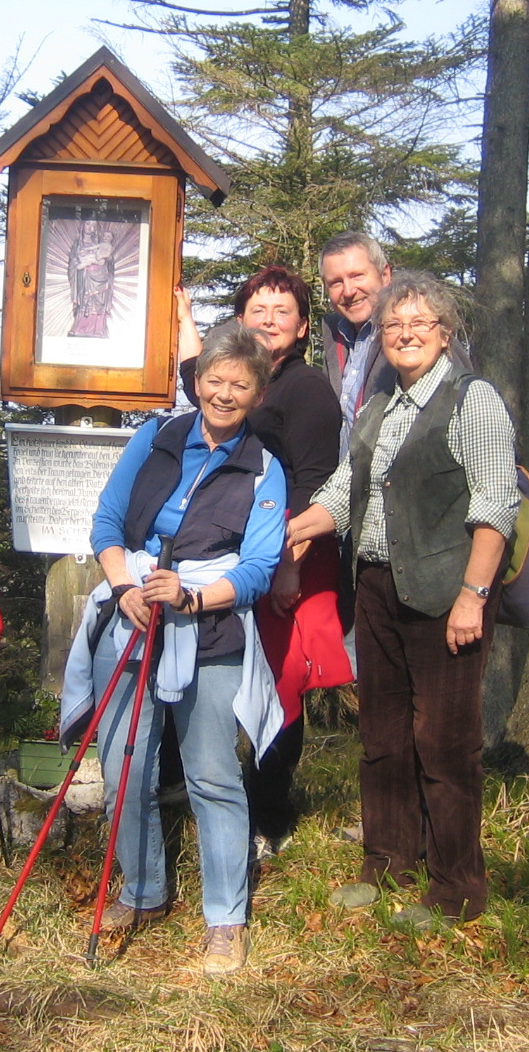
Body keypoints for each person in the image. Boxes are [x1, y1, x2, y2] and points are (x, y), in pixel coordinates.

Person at [287, 271, 519, 930]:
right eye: (394, 325)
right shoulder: (380, 405)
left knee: (445, 745)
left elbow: (496, 503)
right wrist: (299, 527)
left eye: (420, 323)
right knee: (382, 736)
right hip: (379, 587)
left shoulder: (473, 401)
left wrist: (474, 597)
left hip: (449, 592)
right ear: (382, 338)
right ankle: (386, 862)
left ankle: (457, 889)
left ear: (445, 333)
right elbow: (343, 489)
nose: (406, 334)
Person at [60, 325, 288, 976]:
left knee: (213, 774)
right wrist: (124, 585)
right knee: (124, 768)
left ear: (258, 393)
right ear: (196, 381)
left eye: (239, 384)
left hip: (209, 626)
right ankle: (143, 891)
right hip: (131, 611)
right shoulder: (154, 438)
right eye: (214, 379)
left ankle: (226, 920)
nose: (223, 392)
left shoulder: (264, 468)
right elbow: (107, 520)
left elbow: (260, 566)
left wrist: (192, 599)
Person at [175, 267, 351, 856]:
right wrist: (183, 320)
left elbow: (313, 485)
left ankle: (269, 814)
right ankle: (225, 798)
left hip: (291, 556)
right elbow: (195, 380)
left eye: (283, 312)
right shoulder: (246, 381)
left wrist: (289, 566)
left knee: (280, 686)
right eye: (258, 309)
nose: (269, 320)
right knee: (233, 673)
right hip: (245, 558)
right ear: (241, 319)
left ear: (302, 328)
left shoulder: (306, 391)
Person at [318, 232, 395, 454]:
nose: (349, 291)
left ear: (385, 275)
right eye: (336, 282)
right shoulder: (335, 340)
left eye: (357, 276)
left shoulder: (416, 337)